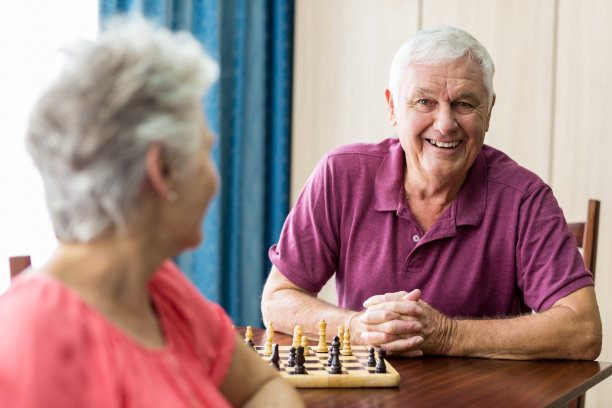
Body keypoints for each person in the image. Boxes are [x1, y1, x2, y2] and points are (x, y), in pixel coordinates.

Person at [0, 16, 303, 407]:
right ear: (161, 170)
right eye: (206, 152)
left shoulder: (160, 287)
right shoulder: (36, 336)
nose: (215, 180)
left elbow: (264, 387)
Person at [262, 25, 602, 360]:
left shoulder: (525, 197)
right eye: (425, 101)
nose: (445, 124)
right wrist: (358, 327)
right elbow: (277, 299)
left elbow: (583, 331)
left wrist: (447, 334)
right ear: (393, 107)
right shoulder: (341, 174)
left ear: (489, 111)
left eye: (464, 104)